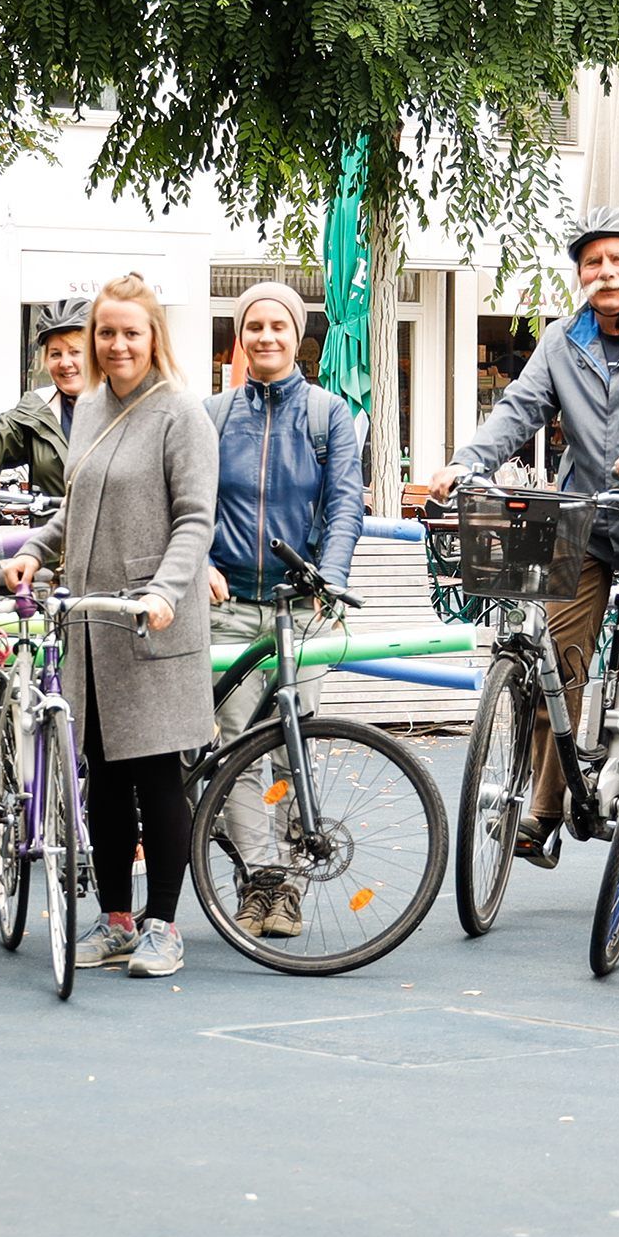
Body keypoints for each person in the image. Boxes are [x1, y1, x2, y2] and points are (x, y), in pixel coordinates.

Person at [447, 215, 619, 865]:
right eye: (592, 263)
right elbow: (520, 408)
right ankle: (542, 810)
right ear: (580, 274)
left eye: (617, 261)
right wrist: (467, 463)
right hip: (586, 520)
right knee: (555, 665)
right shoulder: (563, 339)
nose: (605, 273)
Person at [2, 273, 217, 979]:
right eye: (106, 332)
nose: (116, 344)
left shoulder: (179, 413)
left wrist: (164, 590)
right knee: (101, 777)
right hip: (91, 625)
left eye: (130, 332)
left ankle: (163, 925)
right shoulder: (88, 409)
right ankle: (116, 920)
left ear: (153, 337)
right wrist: (34, 551)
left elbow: (194, 519)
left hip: (150, 623)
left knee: (156, 777)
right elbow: (75, 506)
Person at [204, 281, 364, 938]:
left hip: (302, 609)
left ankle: (290, 887)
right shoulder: (210, 415)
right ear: (240, 337)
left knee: (292, 748)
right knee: (236, 751)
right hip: (231, 607)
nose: (265, 336)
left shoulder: (329, 416)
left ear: (298, 336)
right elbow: (189, 503)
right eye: (253, 326)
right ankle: (259, 882)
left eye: (278, 326)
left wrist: (330, 576)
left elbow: (345, 505)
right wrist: (200, 565)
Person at [0, 301, 92, 498]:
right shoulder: (37, 412)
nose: (65, 363)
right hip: (53, 528)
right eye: (55, 354)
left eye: (75, 352)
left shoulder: (127, 407)